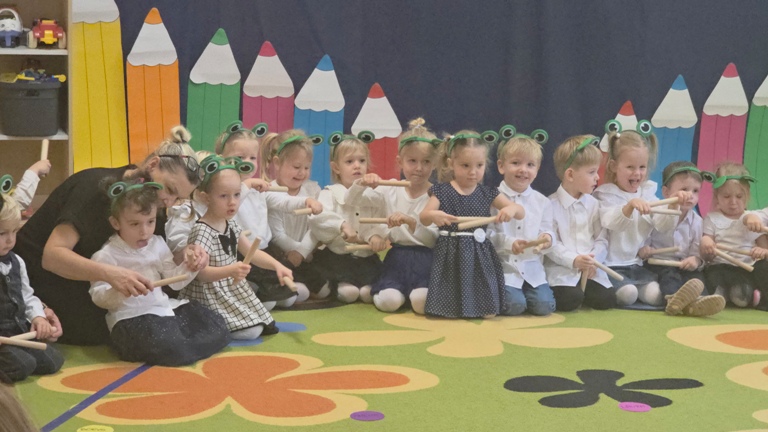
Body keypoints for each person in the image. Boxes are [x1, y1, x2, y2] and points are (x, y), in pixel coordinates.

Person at [13, 126, 207, 345]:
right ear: (153, 165)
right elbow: (52, 257)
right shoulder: (93, 189)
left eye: (177, 198)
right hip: (36, 278)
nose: (169, 202)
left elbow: (158, 258)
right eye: (170, 189)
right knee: (108, 330)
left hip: (89, 279)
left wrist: (187, 255)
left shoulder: (155, 205)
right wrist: (111, 274)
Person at [89, 180, 230, 365]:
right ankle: (181, 348)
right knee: (170, 343)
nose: (144, 231)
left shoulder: (157, 243)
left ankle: (182, 348)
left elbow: (174, 282)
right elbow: (98, 297)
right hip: (131, 318)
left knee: (217, 325)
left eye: (151, 222)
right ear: (115, 222)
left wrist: (191, 266)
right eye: (134, 224)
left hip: (163, 309)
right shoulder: (105, 255)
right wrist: (120, 290)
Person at [181, 155, 291, 339]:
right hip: (210, 294)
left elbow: (252, 252)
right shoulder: (202, 230)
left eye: (237, 194)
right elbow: (200, 274)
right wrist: (230, 271)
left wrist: (277, 266)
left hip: (229, 288)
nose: (232, 202)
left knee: (262, 324)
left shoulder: (230, 224)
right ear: (205, 198)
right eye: (223, 196)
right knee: (252, 331)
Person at [419, 130, 525, 318]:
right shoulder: (442, 191)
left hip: (479, 250)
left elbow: (520, 211)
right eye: (465, 165)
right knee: (450, 281)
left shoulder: (488, 193)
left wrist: (511, 209)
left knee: (480, 281)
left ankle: (482, 307)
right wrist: (434, 215)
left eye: (479, 165)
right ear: (451, 163)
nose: (473, 172)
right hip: (450, 249)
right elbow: (424, 217)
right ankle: (449, 308)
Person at [593, 124, 690, 308]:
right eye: (630, 167)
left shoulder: (647, 194)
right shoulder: (606, 194)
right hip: (610, 266)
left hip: (636, 266)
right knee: (629, 294)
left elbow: (663, 226)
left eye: (642, 167)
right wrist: (629, 207)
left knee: (656, 296)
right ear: (613, 166)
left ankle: (681, 303)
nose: (637, 173)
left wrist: (673, 203)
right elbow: (610, 222)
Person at [350, 118, 440, 313]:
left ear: (434, 164)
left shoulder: (438, 195)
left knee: (421, 303)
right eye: (412, 161)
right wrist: (362, 183)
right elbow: (354, 201)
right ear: (400, 161)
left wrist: (411, 223)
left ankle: (411, 294)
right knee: (389, 302)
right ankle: (384, 291)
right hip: (397, 259)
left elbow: (433, 239)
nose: (419, 168)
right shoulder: (390, 189)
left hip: (426, 260)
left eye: (426, 162)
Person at [308, 132, 388, 304]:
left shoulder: (373, 195)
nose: (357, 166)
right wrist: (341, 225)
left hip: (366, 259)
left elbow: (381, 219)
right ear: (336, 167)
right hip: (339, 258)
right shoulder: (329, 193)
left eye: (362, 161)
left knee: (368, 294)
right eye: (349, 161)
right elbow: (318, 219)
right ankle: (338, 285)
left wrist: (375, 236)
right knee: (349, 293)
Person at [638, 161, 724, 316]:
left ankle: (699, 302)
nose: (690, 195)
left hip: (682, 265)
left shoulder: (697, 221)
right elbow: (644, 236)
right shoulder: (656, 211)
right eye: (684, 189)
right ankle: (673, 301)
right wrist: (644, 249)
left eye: (695, 191)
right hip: (659, 263)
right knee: (670, 277)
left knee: (696, 278)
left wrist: (695, 260)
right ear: (666, 192)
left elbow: (696, 252)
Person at [488, 129, 556, 316]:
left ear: (537, 169)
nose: (523, 170)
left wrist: (547, 239)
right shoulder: (491, 197)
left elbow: (548, 230)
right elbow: (487, 235)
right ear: (501, 166)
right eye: (516, 163)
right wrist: (509, 243)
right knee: (514, 306)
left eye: (530, 165)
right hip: (505, 268)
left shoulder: (543, 202)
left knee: (544, 307)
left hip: (533, 269)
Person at [0, 185, 63, 383]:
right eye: (2, 234)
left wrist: (38, 317)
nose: (10, 240)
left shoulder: (17, 262)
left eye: (14, 231)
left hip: (19, 332)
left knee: (53, 360)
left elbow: (27, 295)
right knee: (23, 365)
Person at [545, 135, 615, 311]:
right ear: (570, 174)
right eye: (591, 172)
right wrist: (574, 260)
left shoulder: (594, 204)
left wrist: (593, 260)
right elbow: (551, 244)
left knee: (606, 299)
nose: (597, 177)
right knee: (570, 299)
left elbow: (601, 239)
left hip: (591, 270)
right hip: (562, 270)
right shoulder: (549, 205)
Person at [266, 129, 329, 302]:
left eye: (306, 167)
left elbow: (315, 227)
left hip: (306, 254)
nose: (302, 173)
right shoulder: (270, 191)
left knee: (325, 291)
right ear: (277, 163)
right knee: (300, 292)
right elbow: (277, 234)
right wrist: (296, 252)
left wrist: (302, 252)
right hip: (281, 256)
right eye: (296, 167)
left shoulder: (313, 189)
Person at [700, 162, 768, 310]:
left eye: (739, 196)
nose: (733, 202)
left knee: (749, 283)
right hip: (719, 266)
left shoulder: (752, 218)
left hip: (744, 269)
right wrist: (706, 242)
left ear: (747, 196)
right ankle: (721, 296)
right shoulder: (712, 218)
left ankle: (745, 296)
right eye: (726, 196)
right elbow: (707, 243)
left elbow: (764, 248)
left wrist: (762, 251)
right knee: (713, 278)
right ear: (717, 197)